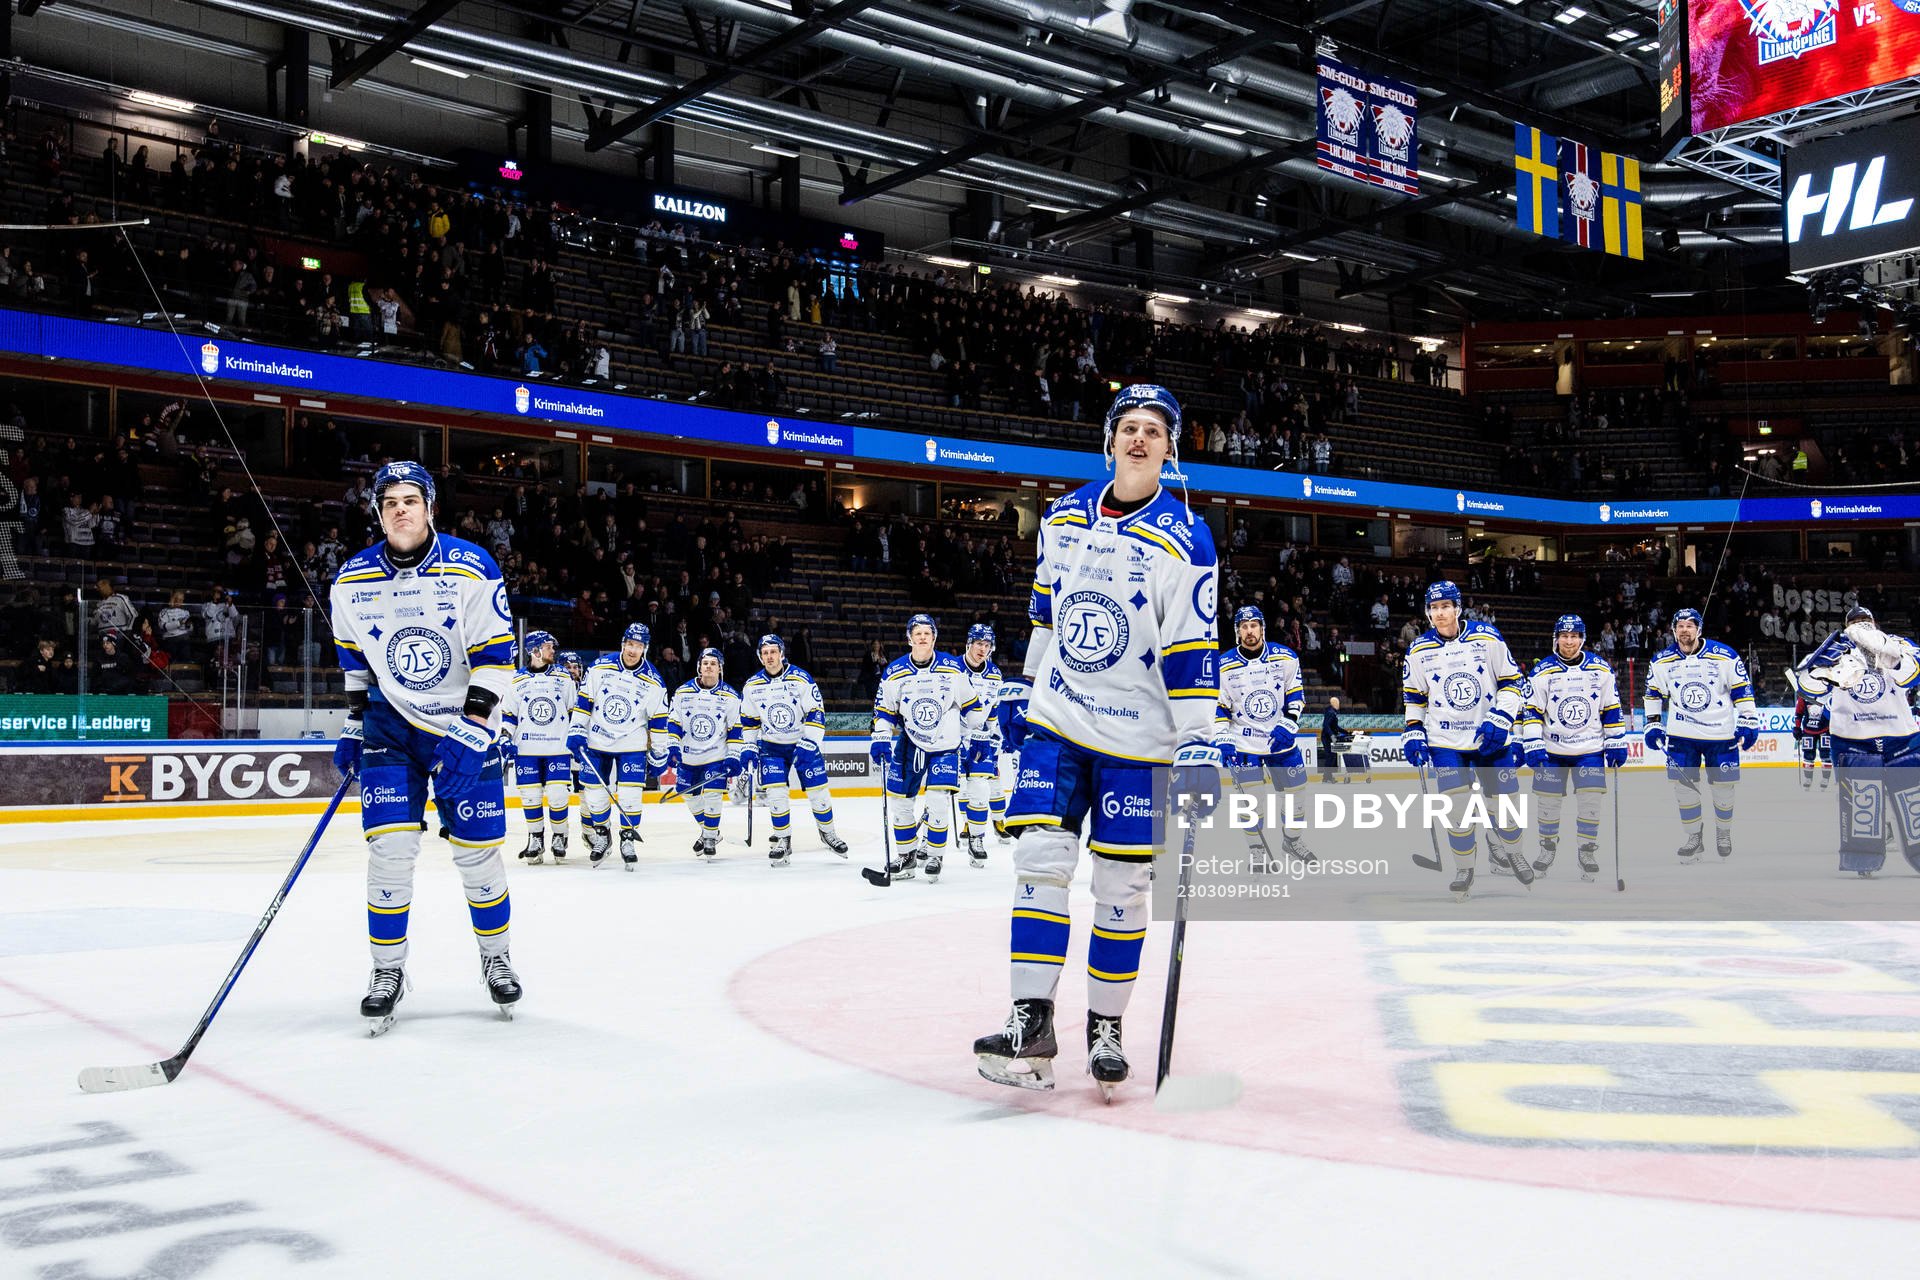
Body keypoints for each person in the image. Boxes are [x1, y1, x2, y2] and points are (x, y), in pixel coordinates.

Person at [973, 384, 1219, 1102]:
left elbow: (1190, 646)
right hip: (1059, 719)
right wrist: (1024, 686)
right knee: (1040, 861)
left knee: (1120, 886)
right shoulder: (1063, 515)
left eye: (1154, 430)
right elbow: (1046, 612)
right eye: (1129, 428)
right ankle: (1031, 1025)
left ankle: (1105, 1029)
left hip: (1141, 741)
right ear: (1110, 439)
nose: (1139, 440)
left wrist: (1199, 741)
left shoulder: (1186, 536)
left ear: (1170, 448)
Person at [329, 461, 522, 1034]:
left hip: (466, 723)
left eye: (411, 499)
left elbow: (495, 658)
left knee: (477, 855)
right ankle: (386, 971)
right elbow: (355, 665)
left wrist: (476, 727)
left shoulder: (470, 568)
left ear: (430, 506)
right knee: (389, 851)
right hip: (393, 729)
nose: (401, 509)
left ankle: (496, 959)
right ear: (378, 513)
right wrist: (353, 722)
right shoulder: (350, 582)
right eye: (389, 502)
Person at [1400, 580, 1528, 901]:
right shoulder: (1418, 650)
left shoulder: (1487, 637)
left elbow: (1512, 681)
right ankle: (1464, 869)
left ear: (1458, 608)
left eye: (1445, 606)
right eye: (1434, 608)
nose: (1440, 613)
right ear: (1428, 613)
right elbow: (1415, 697)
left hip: (1489, 737)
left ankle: (1513, 852)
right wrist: (1414, 731)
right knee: (1457, 809)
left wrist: (1502, 717)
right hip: (1445, 740)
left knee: (1506, 809)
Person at [1792, 605, 1920, 876]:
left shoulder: (1897, 643)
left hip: (1900, 735)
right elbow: (1808, 688)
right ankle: (1864, 859)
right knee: (1863, 800)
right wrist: (1819, 672)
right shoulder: (1833, 650)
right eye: (1856, 621)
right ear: (1846, 625)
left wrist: (1892, 657)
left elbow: (1913, 675)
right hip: (1853, 739)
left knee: (1914, 799)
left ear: (1875, 623)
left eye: (1865, 620)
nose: (1861, 625)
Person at [871, 613, 985, 882]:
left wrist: (977, 735)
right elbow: (884, 711)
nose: (922, 637)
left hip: (945, 746)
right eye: (917, 633)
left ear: (934, 637)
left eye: (927, 633)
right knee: (900, 802)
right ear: (909, 638)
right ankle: (907, 857)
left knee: (936, 801)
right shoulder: (894, 672)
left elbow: (972, 707)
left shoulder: (952, 668)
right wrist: (880, 738)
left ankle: (934, 855)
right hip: (910, 744)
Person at [1517, 615, 1626, 882]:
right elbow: (1530, 711)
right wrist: (1531, 743)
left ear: (1582, 638)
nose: (1569, 641)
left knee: (1590, 802)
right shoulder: (1542, 671)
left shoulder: (1600, 669)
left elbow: (1612, 708)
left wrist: (1616, 741)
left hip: (1589, 750)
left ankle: (1586, 852)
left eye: (1574, 636)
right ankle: (1547, 850)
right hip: (1551, 751)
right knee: (1548, 804)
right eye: (1564, 636)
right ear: (1556, 639)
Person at [1643, 607, 1757, 862]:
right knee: (1684, 790)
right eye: (1680, 626)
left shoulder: (1725, 656)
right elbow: (1653, 694)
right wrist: (1652, 723)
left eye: (1690, 625)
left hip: (1721, 735)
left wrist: (1748, 720)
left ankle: (1723, 832)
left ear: (1699, 629)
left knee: (1724, 789)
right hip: (1681, 736)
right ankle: (1694, 836)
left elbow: (1742, 691)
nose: (1685, 630)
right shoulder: (1661, 660)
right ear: (1673, 630)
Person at [1214, 606, 1314, 867]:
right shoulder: (1223, 665)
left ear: (1262, 628)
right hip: (1244, 743)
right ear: (1237, 632)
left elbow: (1295, 693)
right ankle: (1256, 849)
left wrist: (1289, 722)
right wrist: (1223, 738)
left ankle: (1291, 841)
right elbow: (1218, 707)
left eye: (1254, 625)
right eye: (1244, 626)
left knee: (1297, 796)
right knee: (1251, 804)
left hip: (1280, 741)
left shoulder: (1285, 657)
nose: (1249, 631)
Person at [738, 633, 848, 866]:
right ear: (760, 656)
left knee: (819, 792)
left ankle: (828, 833)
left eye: (773, 651)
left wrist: (811, 741)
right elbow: (749, 721)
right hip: (771, 747)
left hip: (803, 745)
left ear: (781, 653)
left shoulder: (801, 678)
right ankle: (782, 839)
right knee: (776, 794)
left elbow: (816, 711)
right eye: (765, 653)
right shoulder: (752, 686)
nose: (769, 657)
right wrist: (748, 746)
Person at [571, 623, 670, 867]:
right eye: (630, 644)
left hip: (631, 744)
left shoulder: (654, 681)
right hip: (597, 740)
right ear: (623, 643)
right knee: (593, 794)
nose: (633, 650)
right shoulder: (599, 667)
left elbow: (658, 721)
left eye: (638, 646)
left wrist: (659, 752)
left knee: (630, 796)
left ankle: (627, 837)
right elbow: (584, 701)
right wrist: (576, 729)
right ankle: (602, 835)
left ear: (644, 649)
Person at [499, 630, 578, 865]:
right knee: (531, 797)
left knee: (557, 795)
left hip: (557, 748)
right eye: (547, 647)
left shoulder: (563, 678)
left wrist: (576, 735)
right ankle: (535, 838)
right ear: (534, 651)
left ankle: (560, 836)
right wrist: (505, 737)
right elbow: (509, 715)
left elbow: (574, 711)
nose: (553, 651)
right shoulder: (517, 680)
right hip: (527, 750)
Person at [666, 647, 744, 858]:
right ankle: (711, 829)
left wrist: (734, 756)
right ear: (699, 666)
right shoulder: (683, 692)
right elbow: (673, 723)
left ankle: (709, 835)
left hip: (715, 755)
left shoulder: (730, 696)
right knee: (689, 796)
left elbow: (735, 730)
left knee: (712, 795)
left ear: (720, 668)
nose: (709, 667)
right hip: (688, 755)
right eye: (705, 663)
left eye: (713, 663)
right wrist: (672, 746)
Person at [956, 623, 1009, 864]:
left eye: (987, 645)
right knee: (957, 788)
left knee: (986, 784)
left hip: (983, 738)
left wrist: (994, 739)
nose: (982, 649)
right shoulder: (952, 669)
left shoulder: (995, 674)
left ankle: (988, 829)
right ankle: (961, 824)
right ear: (969, 643)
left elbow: (994, 710)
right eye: (979, 643)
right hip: (954, 737)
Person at [1792, 691, 1833, 791]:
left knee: (1826, 755)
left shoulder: (1829, 693)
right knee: (1808, 755)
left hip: (1825, 728)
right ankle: (1808, 779)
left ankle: (1825, 779)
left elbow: (1834, 711)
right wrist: (1797, 727)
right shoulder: (1804, 693)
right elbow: (1799, 712)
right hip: (1808, 730)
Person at [1318, 695, 1346, 784]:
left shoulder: (1333, 712)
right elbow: (1326, 725)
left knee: (1332, 756)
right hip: (1327, 737)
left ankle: (1327, 777)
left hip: (1328, 737)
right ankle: (1326, 777)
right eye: (1337, 702)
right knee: (1330, 756)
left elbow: (1334, 726)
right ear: (1333, 703)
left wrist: (1345, 731)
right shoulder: (1330, 712)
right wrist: (1332, 736)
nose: (1339, 704)